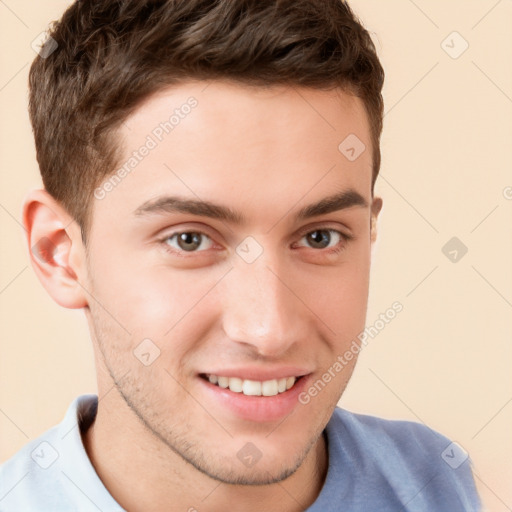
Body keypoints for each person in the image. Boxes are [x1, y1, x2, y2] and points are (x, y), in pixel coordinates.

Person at [0, 1, 481, 510]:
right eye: (189, 239)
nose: (268, 330)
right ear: (60, 253)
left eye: (320, 237)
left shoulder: (437, 481)